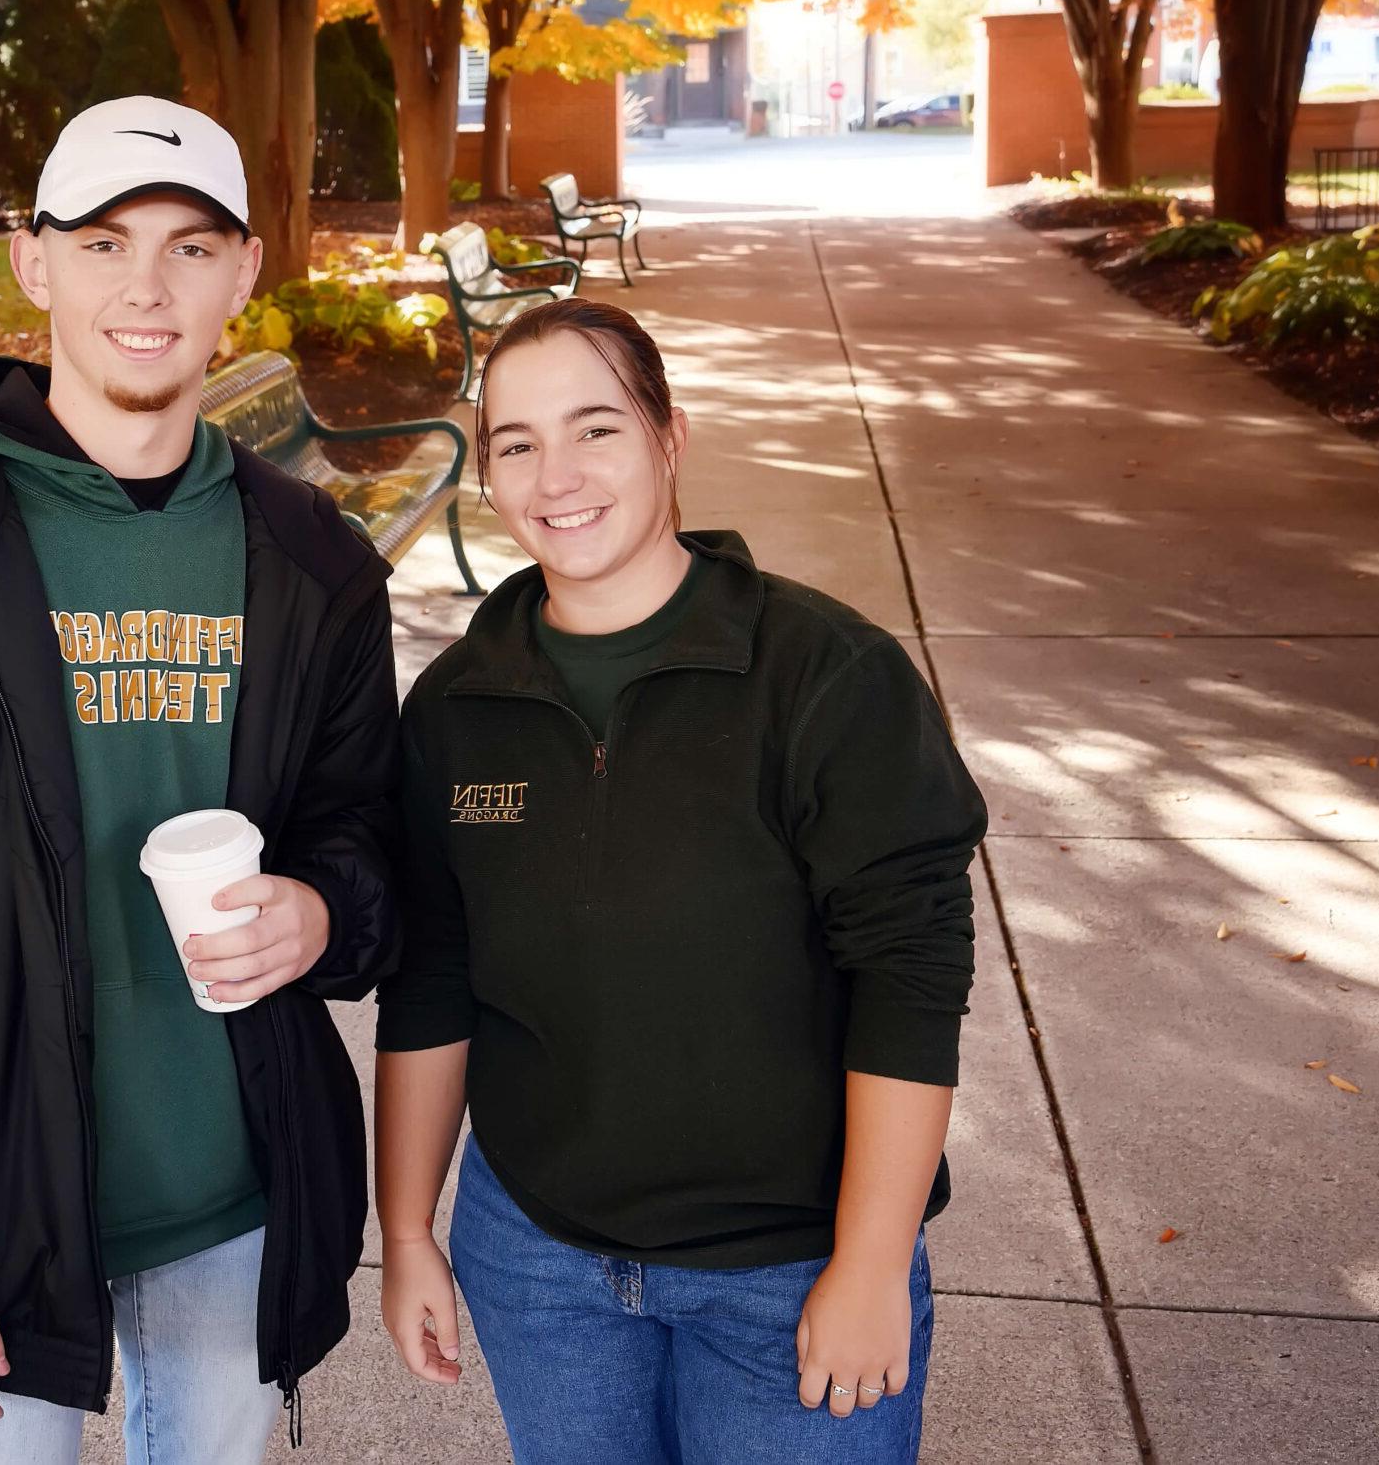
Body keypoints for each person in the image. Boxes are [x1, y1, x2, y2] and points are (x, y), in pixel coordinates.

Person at [0, 96, 400, 1464]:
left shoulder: (313, 563)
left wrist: (325, 910)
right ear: (33, 264)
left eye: (189, 246)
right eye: (101, 243)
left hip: (232, 1190)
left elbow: (368, 831)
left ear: (246, 271)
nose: (145, 288)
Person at [373, 297, 987, 1463]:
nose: (557, 474)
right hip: (539, 1264)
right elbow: (433, 979)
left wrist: (867, 1264)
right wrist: (406, 1229)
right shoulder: (457, 706)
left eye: (595, 428)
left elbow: (908, 980)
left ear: (669, 438)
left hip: (788, 1268)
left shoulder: (825, 675)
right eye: (516, 443)